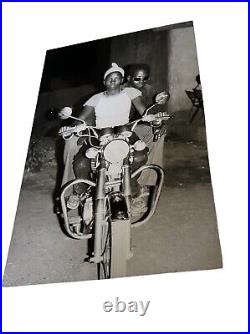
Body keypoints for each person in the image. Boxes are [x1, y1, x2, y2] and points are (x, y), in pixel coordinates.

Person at [59, 63, 152, 208]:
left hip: (125, 132)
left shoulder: (130, 93)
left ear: (122, 80)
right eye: (110, 77)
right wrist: (69, 128)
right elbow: (82, 118)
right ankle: (79, 191)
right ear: (104, 81)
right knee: (82, 162)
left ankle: (133, 186)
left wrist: (152, 117)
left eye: (117, 77)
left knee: (140, 156)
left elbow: (143, 111)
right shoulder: (95, 98)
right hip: (101, 133)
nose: (114, 79)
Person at [123, 63, 170, 185]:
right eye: (137, 78)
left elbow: (150, 111)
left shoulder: (147, 89)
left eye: (145, 78)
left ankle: (148, 179)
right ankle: (144, 180)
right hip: (120, 128)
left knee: (159, 131)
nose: (141, 81)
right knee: (155, 131)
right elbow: (143, 111)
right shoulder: (129, 90)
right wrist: (152, 119)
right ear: (128, 78)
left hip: (132, 125)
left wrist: (157, 119)